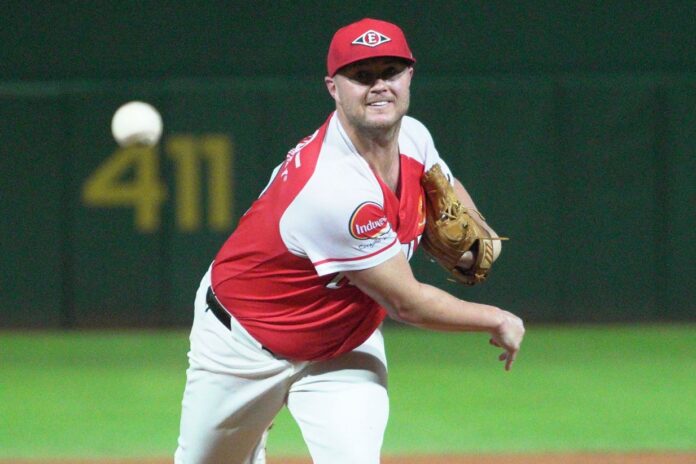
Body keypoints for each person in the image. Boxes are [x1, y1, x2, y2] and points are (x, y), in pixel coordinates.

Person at [175, 17, 525, 464]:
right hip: (244, 345)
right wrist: (496, 318)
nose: (379, 86)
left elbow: (446, 184)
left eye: (390, 72)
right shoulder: (334, 186)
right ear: (333, 88)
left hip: (342, 343)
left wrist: (477, 229)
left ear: (409, 77)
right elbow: (407, 304)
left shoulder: (414, 136)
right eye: (361, 75)